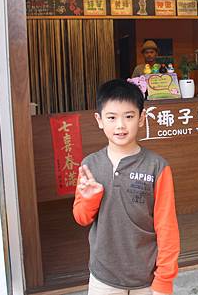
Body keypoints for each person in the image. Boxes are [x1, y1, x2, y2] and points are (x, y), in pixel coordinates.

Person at [73, 79, 180, 295]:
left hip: (147, 276)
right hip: (103, 275)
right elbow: (81, 218)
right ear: (99, 120)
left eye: (129, 116)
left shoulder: (157, 166)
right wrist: (89, 199)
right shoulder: (90, 165)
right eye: (111, 117)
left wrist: (164, 280)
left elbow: (167, 227)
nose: (120, 125)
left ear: (141, 118)